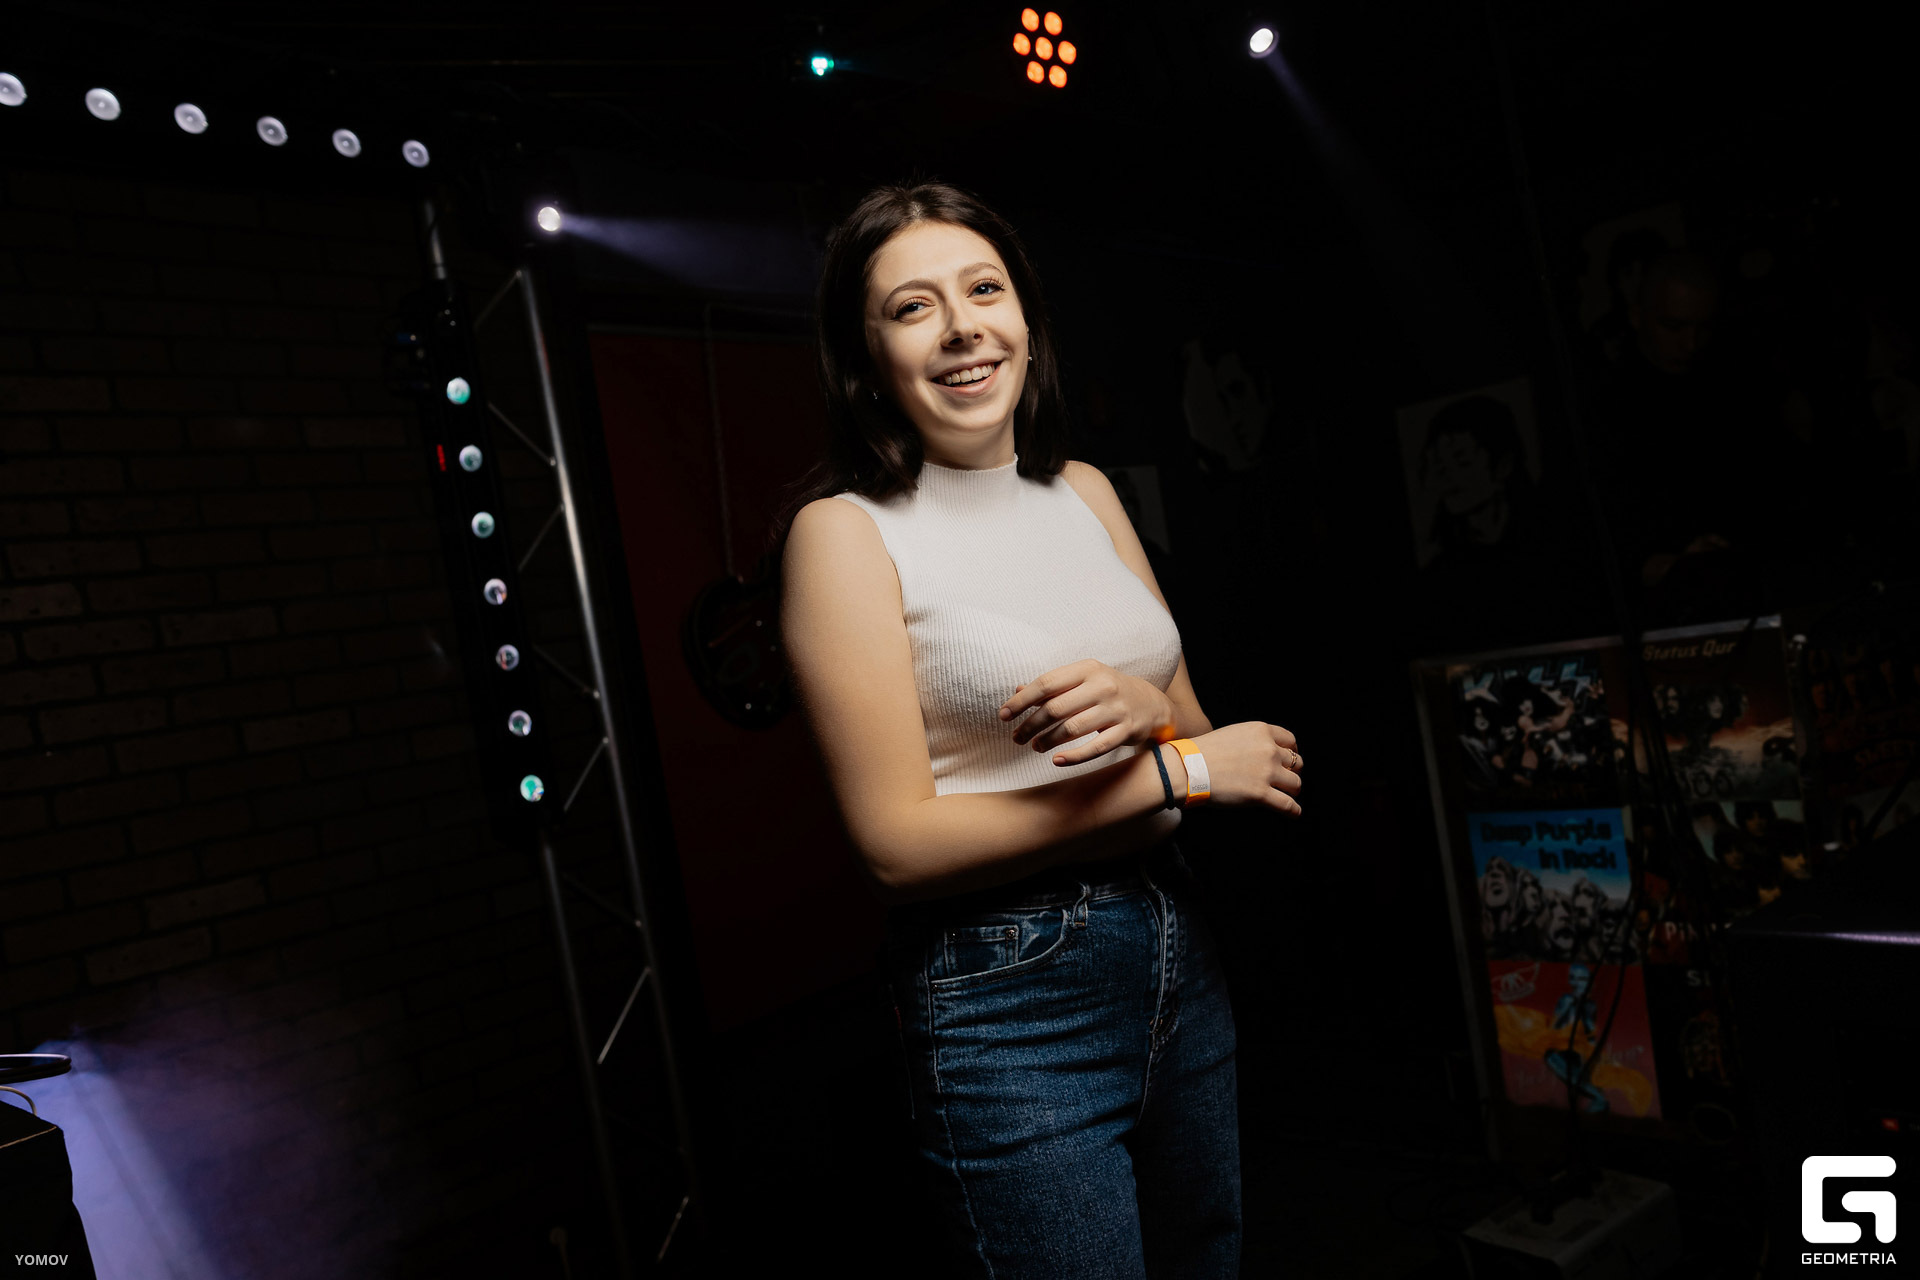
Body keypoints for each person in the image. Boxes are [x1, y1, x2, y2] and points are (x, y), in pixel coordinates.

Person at [770, 179, 1305, 1277]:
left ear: (1025, 320)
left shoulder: (1087, 494)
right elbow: (894, 846)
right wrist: (1176, 772)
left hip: (1174, 939)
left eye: (984, 290)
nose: (962, 326)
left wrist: (1153, 711)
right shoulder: (843, 533)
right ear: (866, 359)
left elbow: (1199, 731)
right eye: (912, 307)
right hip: (1008, 992)